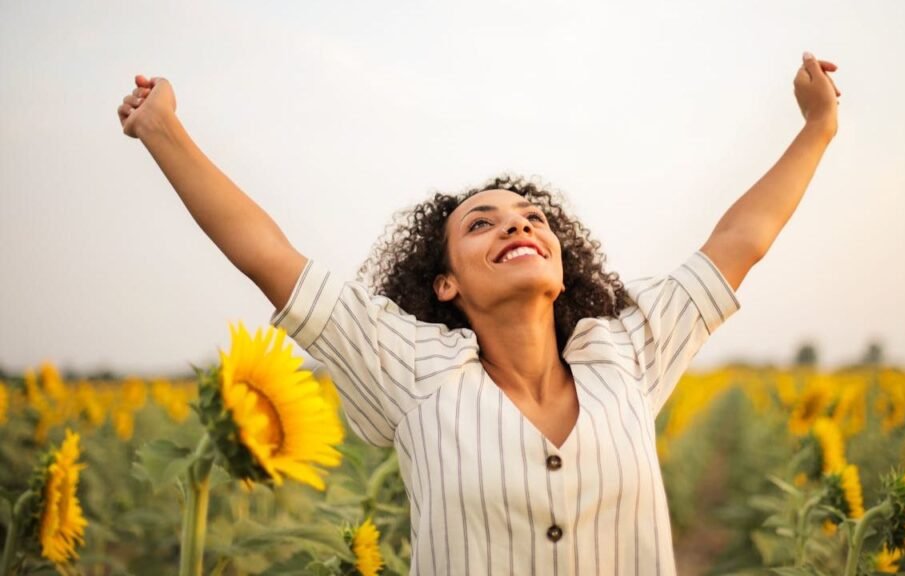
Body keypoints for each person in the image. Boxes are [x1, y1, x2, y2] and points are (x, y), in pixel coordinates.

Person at [118, 51, 840, 575]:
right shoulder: (411, 372)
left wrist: (817, 127)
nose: (518, 227)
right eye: (481, 224)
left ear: (562, 266)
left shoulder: (626, 351)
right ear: (444, 286)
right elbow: (269, 257)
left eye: (532, 219)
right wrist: (163, 130)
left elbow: (740, 243)